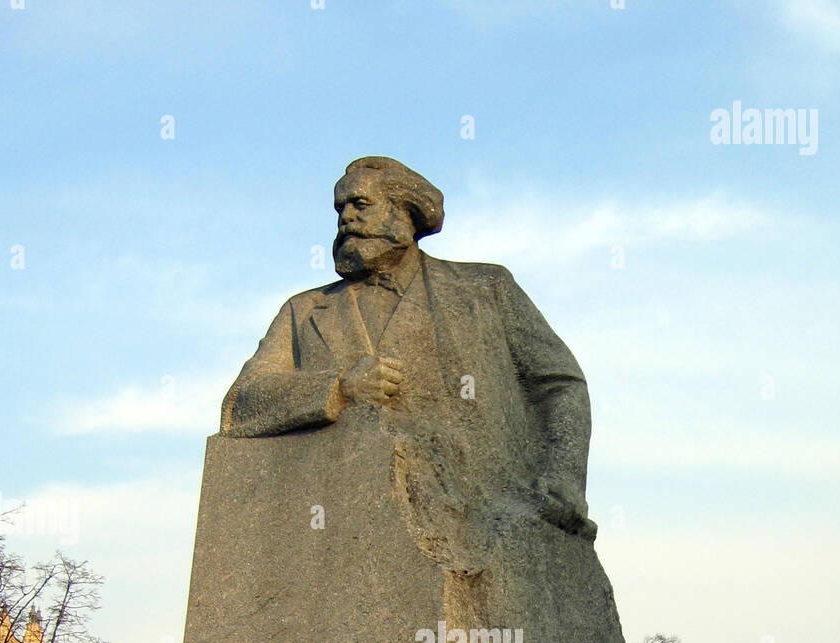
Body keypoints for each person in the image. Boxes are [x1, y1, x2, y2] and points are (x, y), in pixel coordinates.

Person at [220, 155, 595, 541]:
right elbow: (239, 406)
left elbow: (560, 384)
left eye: (360, 204)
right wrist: (338, 389)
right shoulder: (304, 311)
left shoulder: (484, 289)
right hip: (337, 534)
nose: (345, 217)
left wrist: (563, 480)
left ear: (404, 212)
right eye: (340, 208)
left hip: (479, 523)